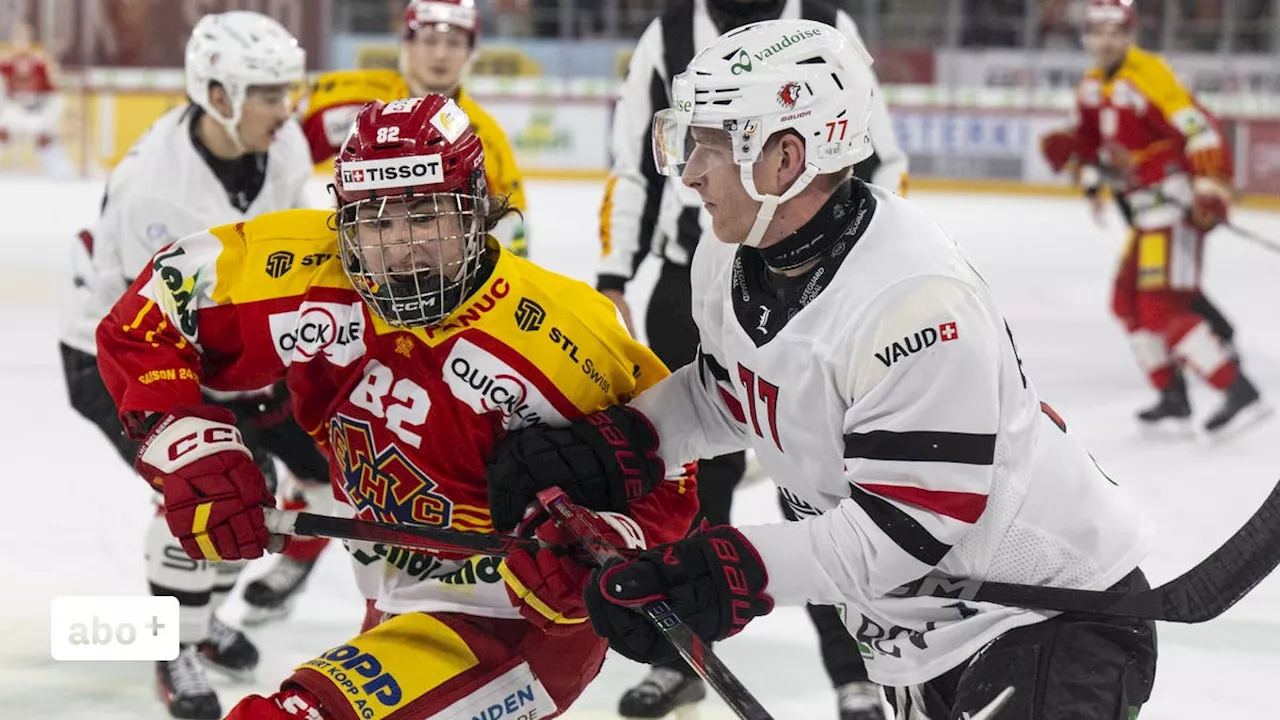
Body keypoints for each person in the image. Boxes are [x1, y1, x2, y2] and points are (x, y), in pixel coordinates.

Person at [488, 19, 1159, 719]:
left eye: (712, 145)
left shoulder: (916, 304)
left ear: (784, 158)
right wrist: (623, 446)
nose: (688, 172)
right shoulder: (730, 254)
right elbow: (731, 391)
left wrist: (730, 570)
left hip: (1045, 618)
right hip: (919, 633)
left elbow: (906, 529)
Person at [95, 94, 698, 720]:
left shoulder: (565, 333)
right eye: (376, 223)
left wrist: (614, 541)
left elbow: (671, 464)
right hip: (391, 600)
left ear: (474, 211)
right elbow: (150, 315)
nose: (401, 247)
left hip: (516, 630)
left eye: (425, 216)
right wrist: (193, 448)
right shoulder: (310, 270)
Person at [597, 2, 906, 716]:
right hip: (693, 273)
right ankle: (680, 654)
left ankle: (855, 666)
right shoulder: (669, 33)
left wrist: (863, 270)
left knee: (823, 480)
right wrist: (616, 272)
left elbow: (876, 152)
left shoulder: (824, 23)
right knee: (695, 479)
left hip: (812, 267)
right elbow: (634, 166)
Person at [56, 11, 325, 719]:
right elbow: (144, 337)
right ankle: (174, 642)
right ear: (216, 92)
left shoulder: (284, 141)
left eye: (286, 90)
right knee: (212, 492)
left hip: (220, 351)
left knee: (325, 477)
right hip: (116, 355)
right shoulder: (155, 191)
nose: (286, 108)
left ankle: (197, 621)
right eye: (268, 93)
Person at [244, 0, 534, 619]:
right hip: (339, 300)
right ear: (405, 43)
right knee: (324, 442)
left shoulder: (483, 135)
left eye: (455, 42)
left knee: (387, 463)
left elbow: (510, 248)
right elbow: (268, 145)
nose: (440, 52)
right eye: (428, 38)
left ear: (471, 52)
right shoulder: (347, 97)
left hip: (426, 329)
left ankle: (335, 575)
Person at [1039, 0, 1269, 437]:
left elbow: (1199, 127)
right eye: (1097, 31)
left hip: (1171, 209)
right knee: (1126, 302)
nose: (1105, 40)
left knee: (1159, 307)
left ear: (1129, 34)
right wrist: (1082, 165)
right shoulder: (1091, 85)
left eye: (1115, 31)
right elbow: (1089, 142)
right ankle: (1172, 394)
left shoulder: (1149, 74)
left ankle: (1238, 389)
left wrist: (1209, 186)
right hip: (1145, 213)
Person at [0, 20, 72, 176]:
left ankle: (62, 175)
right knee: (2, 132)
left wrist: (48, 118)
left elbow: (54, 95)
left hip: (37, 110)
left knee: (45, 137)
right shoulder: (5, 65)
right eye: (17, 38)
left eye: (24, 38)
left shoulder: (40, 64)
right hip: (13, 111)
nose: (21, 43)